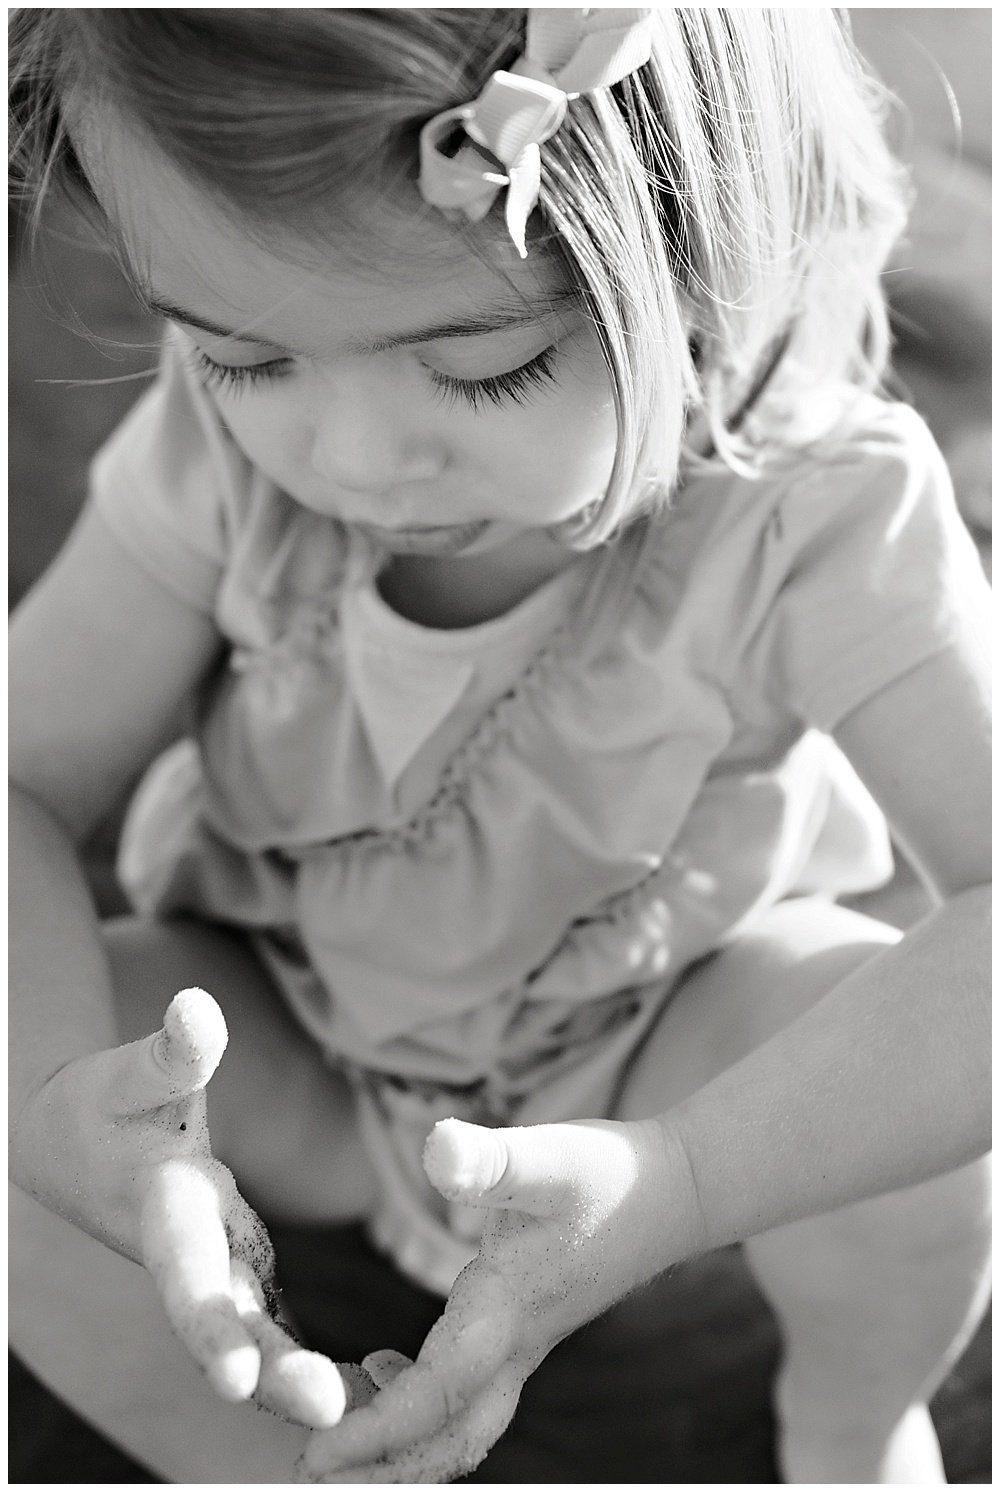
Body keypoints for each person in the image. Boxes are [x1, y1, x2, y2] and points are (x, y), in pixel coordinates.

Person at [8, 8, 991, 1484]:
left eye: (481, 370)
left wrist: (689, 1174)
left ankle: (853, 1422)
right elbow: (21, 781)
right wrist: (55, 1101)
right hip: (289, 1026)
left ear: (709, 259)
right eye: (240, 355)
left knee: (908, 1116)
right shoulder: (226, 461)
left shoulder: (819, 512)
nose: (348, 461)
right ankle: (268, 1463)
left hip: (663, 1036)